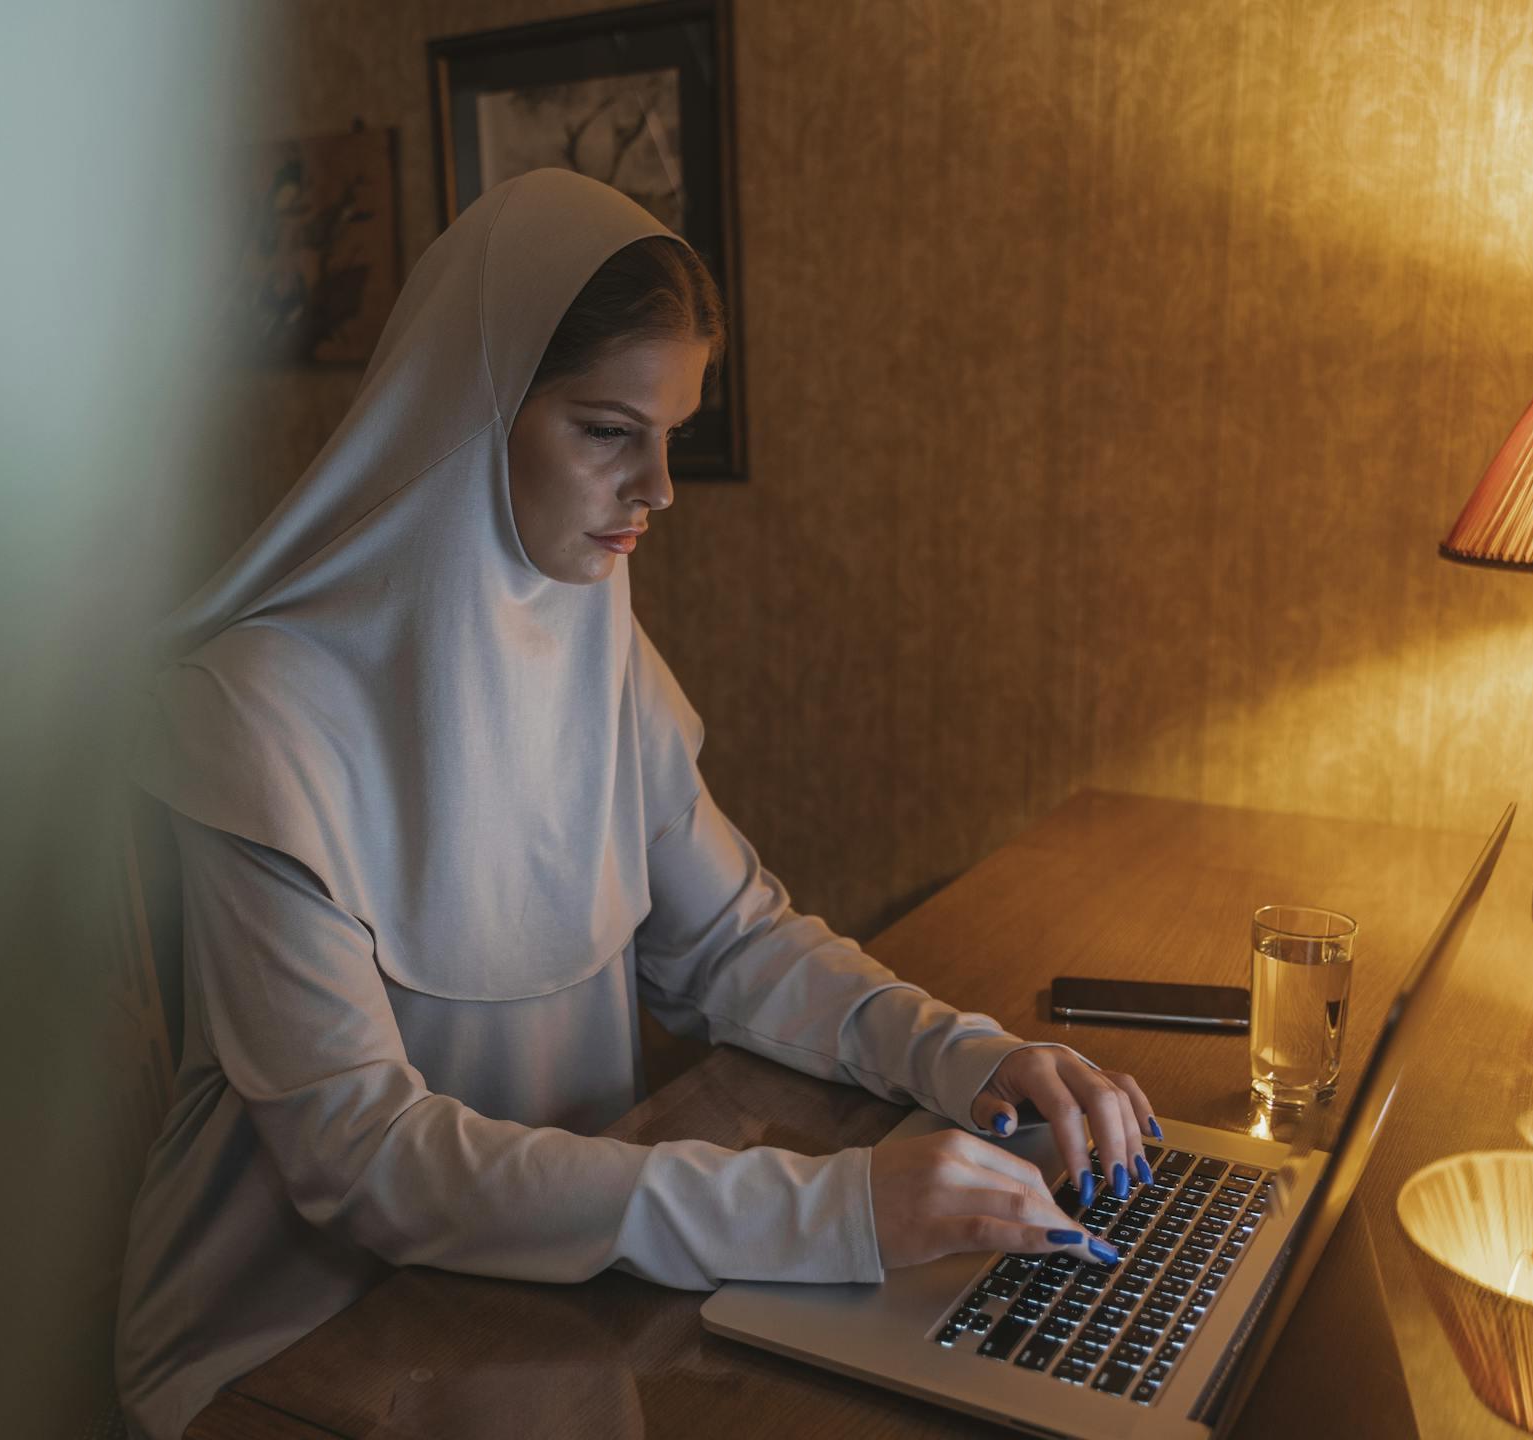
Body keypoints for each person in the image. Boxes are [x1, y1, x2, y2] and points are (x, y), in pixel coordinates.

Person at [116, 168, 1160, 1437]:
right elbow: (368, 1161)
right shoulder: (250, 718)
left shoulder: (595, 640)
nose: (659, 489)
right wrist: (832, 1211)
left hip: (552, 1312)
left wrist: (970, 1056)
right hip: (297, 1357)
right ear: (470, 411)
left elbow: (733, 940)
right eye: (608, 430)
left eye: (672, 434)